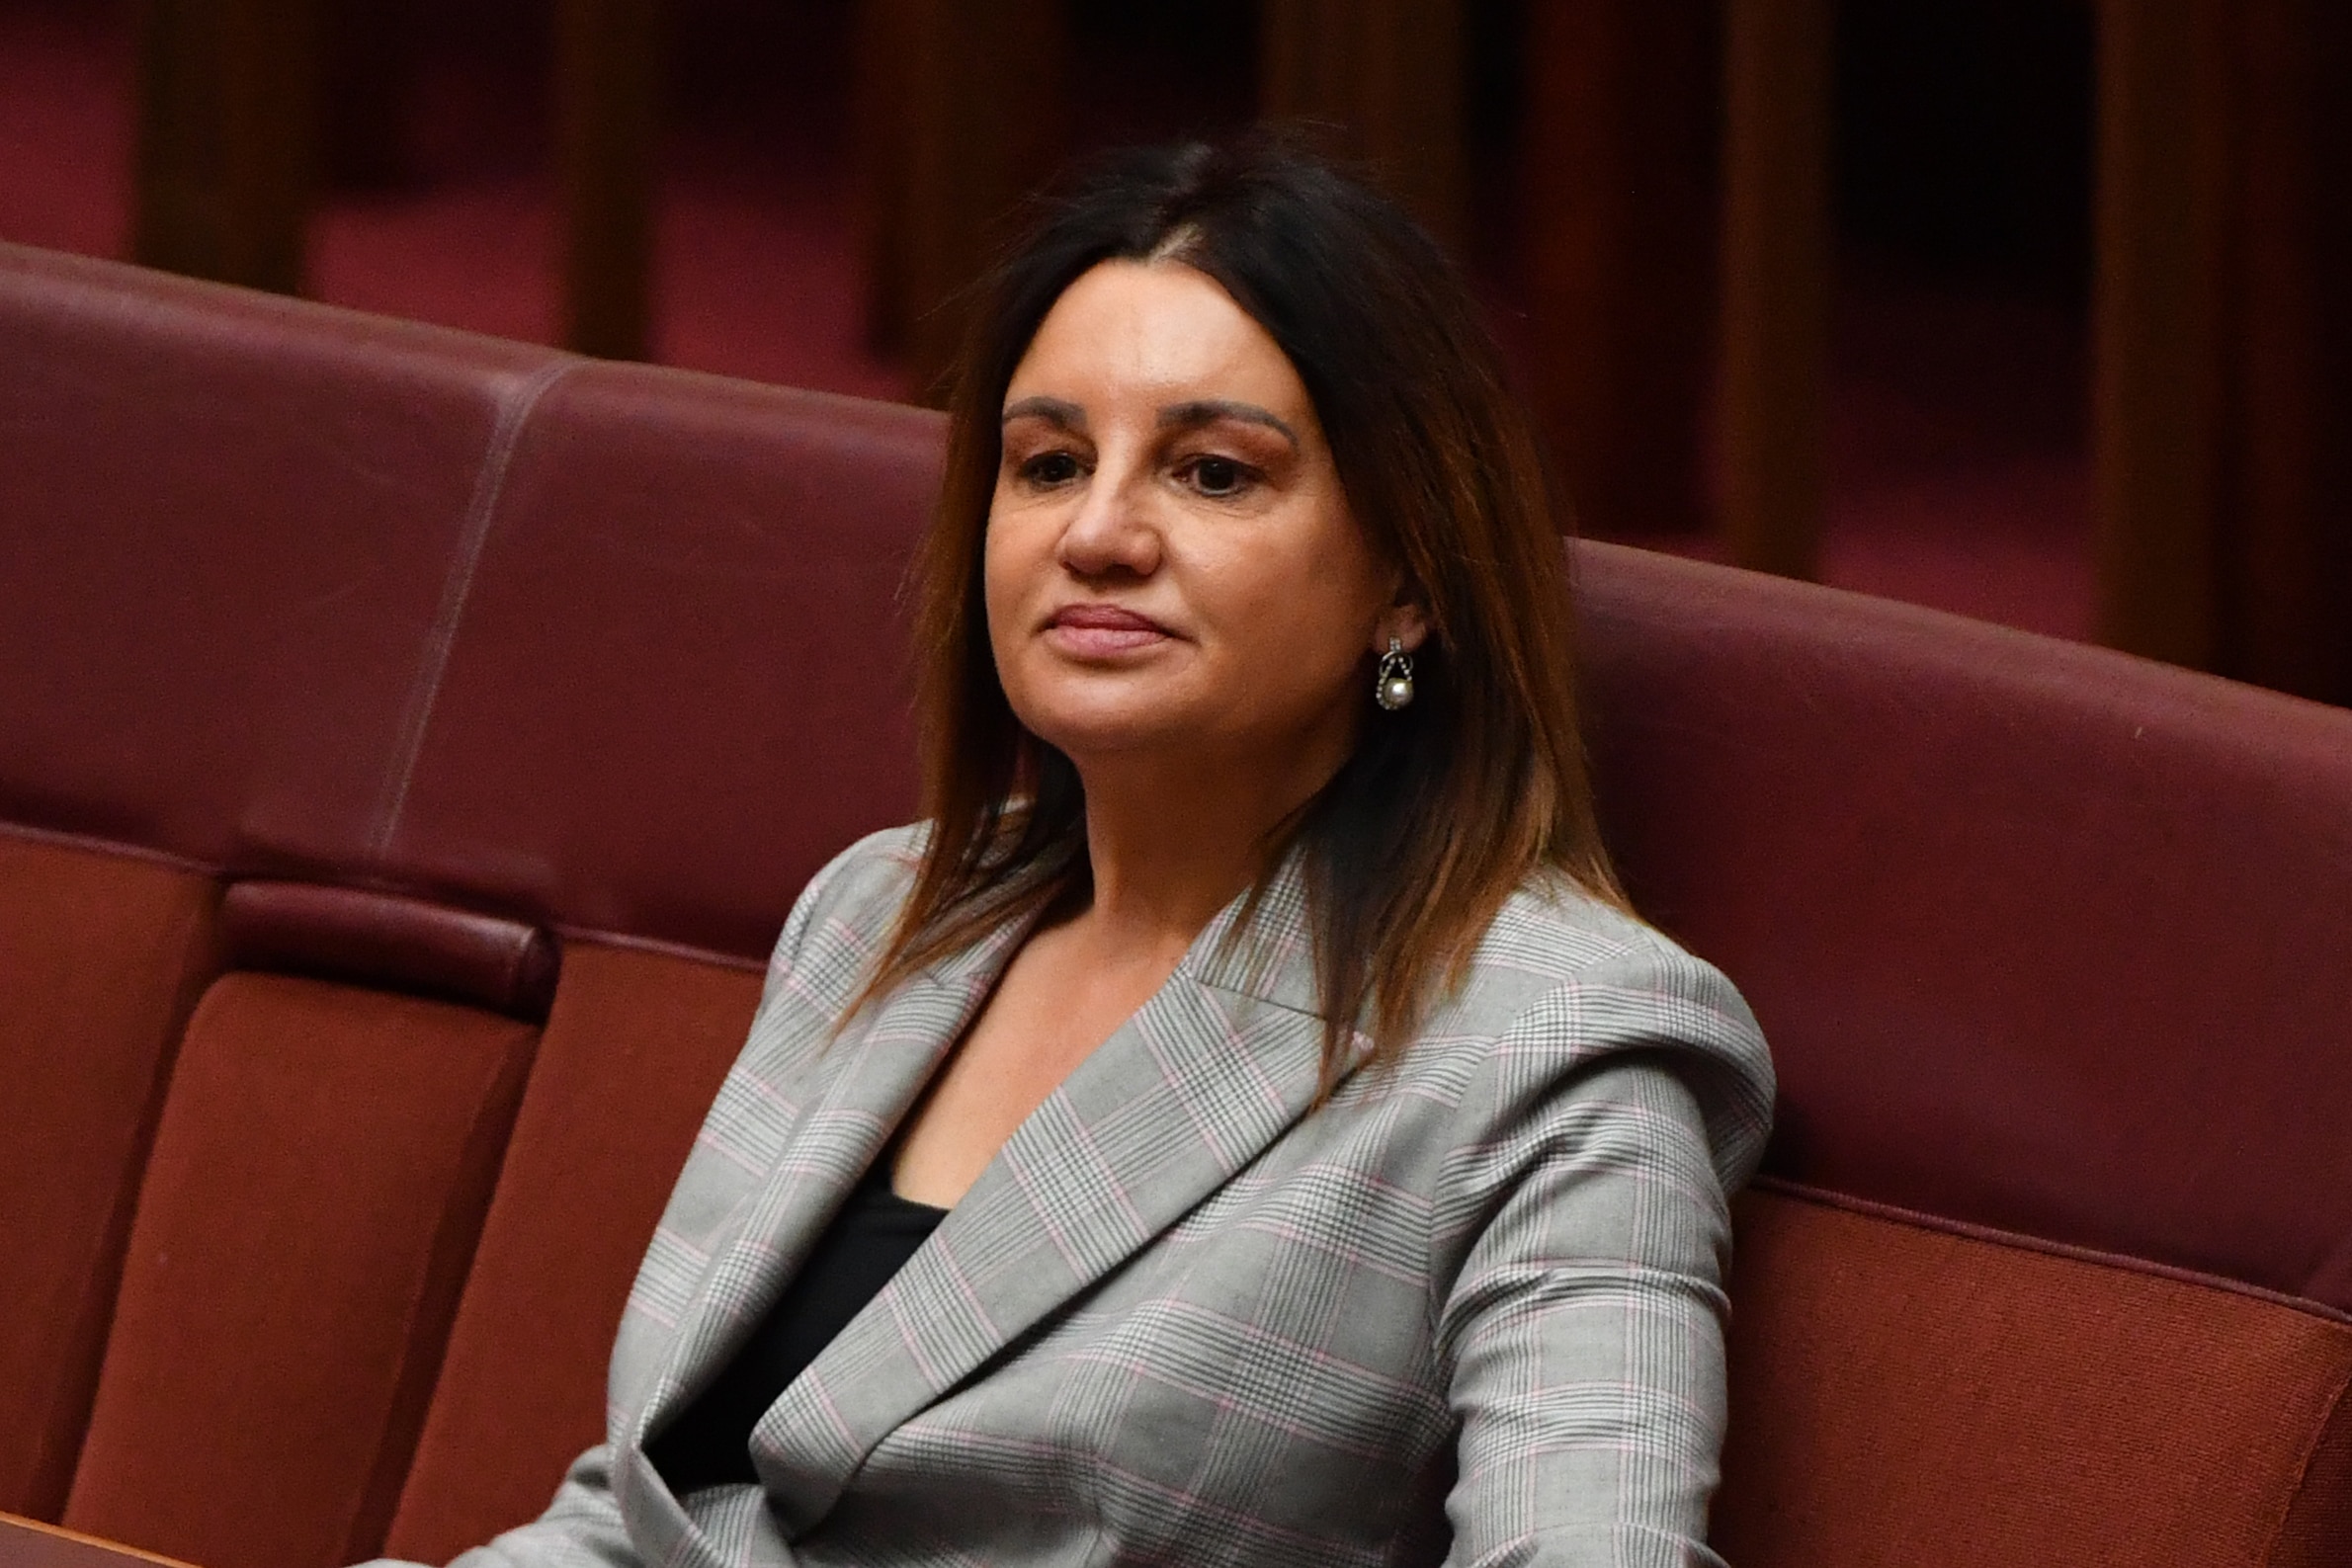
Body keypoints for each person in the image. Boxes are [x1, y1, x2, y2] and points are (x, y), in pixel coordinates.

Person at [391, 136, 1773, 1568]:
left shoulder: (1558, 1042)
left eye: (1215, 474)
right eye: (1050, 463)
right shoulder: (883, 914)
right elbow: (651, 1514)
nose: (1099, 533)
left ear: (1412, 583)